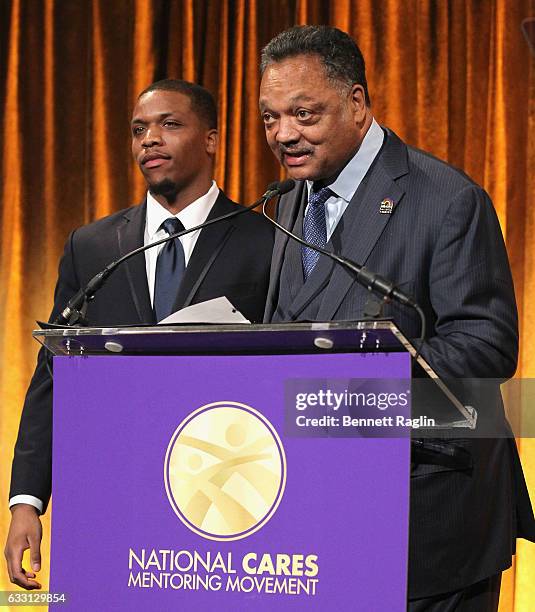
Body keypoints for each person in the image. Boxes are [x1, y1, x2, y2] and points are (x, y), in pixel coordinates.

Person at [259, 25, 535, 610]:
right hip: (319, 514)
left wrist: (356, 384)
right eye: (269, 118)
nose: (284, 135)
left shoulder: (446, 199)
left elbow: (487, 348)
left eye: (304, 115)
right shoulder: (283, 204)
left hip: (427, 521)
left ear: (358, 104)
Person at [5, 79, 274, 589]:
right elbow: (53, 374)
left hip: (217, 510)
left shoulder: (264, 239)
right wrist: (27, 502)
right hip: (107, 501)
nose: (150, 139)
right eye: (138, 130)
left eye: (169, 124)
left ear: (212, 139)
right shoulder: (93, 245)